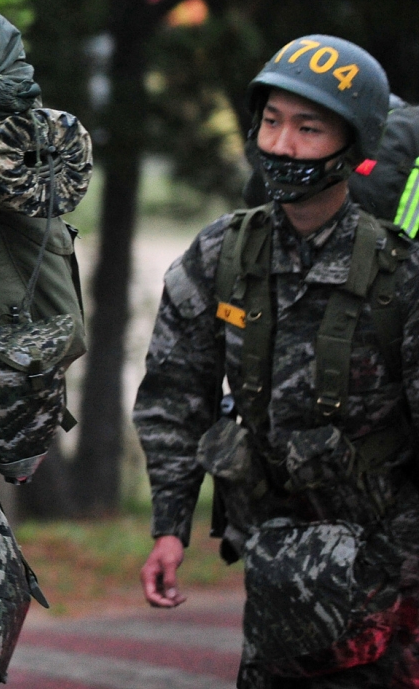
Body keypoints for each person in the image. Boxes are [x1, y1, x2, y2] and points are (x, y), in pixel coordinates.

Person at [134, 34, 419, 687]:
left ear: (354, 145)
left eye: (308, 127)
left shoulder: (401, 274)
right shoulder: (221, 257)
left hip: (391, 580)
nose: (282, 145)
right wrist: (170, 526)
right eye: (271, 121)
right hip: (278, 569)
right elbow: (174, 395)